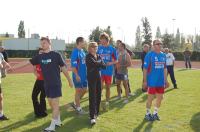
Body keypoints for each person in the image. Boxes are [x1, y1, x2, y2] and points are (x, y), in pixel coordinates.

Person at [29, 37, 73, 131]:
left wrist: (70, 80)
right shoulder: (40, 56)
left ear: (49, 43)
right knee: (51, 104)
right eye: (41, 43)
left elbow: (64, 69)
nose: (42, 45)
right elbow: (28, 62)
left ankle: (52, 127)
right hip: (46, 84)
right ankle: (58, 120)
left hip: (55, 84)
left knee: (55, 104)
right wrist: (11, 66)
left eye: (44, 43)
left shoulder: (56, 55)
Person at [143, 40, 169, 121]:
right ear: (153, 45)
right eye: (158, 44)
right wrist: (145, 81)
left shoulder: (163, 55)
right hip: (152, 81)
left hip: (160, 81)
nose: (160, 45)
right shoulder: (149, 55)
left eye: (160, 43)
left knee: (160, 98)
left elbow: (164, 68)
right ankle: (147, 114)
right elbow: (145, 68)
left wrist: (166, 80)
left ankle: (155, 113)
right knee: (150, 98)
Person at [86, 42, 106, 125]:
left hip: (98, 78)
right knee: (92, 96)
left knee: (98, 95)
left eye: (96, 47)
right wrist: (100, 62)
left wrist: (99, 62)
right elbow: (94, 64)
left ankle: (96, 113)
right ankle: (92, 117)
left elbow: (104, 66)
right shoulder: (88, 56)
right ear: (90, 48)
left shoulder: (98, 56)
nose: (95, 48)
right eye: (93, 47)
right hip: (91, 79)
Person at [97, 33, 118, 108]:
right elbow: (95, 58)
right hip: (100, 71)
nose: (101, 41)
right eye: (100, 39)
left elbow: (116, 61)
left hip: (108, 71)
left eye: (102, 39)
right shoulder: (99, 48)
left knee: (108, 87)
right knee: (100, 87)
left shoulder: (112, 49)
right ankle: (98, 100)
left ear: (106, 40)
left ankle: (107, 101)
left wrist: (110, 63)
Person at [70, 37, 88, 115]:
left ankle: (75, 103)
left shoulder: (83, 51)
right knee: (78, 91)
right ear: (80, 42)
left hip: (84, 76)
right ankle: (79, 109)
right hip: (78, 76)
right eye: (84, 42)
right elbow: (73, 66)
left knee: (85, 89)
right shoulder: (75, 52)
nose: (85, 43)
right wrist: (76, 75)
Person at [32, 48, 47, 118]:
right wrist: (36, 74)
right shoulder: (36, 61)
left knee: (42, 97)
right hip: (38, 80)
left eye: (42, 52)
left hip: (45, 81)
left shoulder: (46, 61)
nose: (41, 54)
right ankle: (37, 112)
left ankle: (43, 112)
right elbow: (34, 70)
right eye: (39, 53)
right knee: (34, 96)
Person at [0, 53, 12, 121]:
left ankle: (1, 115)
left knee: (0, 97)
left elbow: (3, 61)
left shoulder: (0, 54)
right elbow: (1, 65)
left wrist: (9, 66)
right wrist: (2, 67)